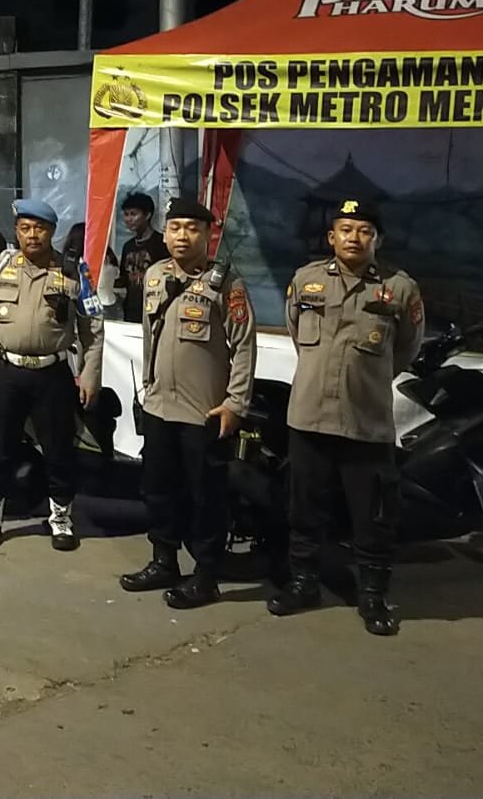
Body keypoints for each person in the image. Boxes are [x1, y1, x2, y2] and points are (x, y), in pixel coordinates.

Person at [267, 197, 424, 636]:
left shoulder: (400, 289)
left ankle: (372, 596)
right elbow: (298, 333)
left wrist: (365, 378)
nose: (354, 238)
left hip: (365, 423)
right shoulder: (306, 280)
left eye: (364, 231)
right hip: (309, 418)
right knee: (304, 510)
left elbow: (406, 348)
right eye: (346, 230)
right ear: (331, 237)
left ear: (377, 240)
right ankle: (304, 584)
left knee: (372, 517)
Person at [117, 200, 256, 608]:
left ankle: (206, 575)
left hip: (204, 412)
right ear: (165, 234)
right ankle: (164, 561)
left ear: (208, 235)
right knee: (158, 489)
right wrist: (148, 384)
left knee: (206, 496)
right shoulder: (156, 275)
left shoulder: (226, 284)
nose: (182, 236)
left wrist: (235, 403)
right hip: (160, 407)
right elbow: (149, 334)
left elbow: (244, 346)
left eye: (192, 228)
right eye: (175, 227)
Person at [0, 198, 104, 552]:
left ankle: (60, 519)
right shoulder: (0, 267)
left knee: (59, 451)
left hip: (51, 375)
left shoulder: (72, 271)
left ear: (52, 231)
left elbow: (93, 327)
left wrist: (90, 375)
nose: (32, 235)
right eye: (25, 228)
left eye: (39, 228)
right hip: (6, 372)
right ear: (16, 231)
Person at [113, 192, 170, 324]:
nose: (129, 219)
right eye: (126, 214)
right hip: (131, 310)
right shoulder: (128, 246)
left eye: (133, 214)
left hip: (155, 309)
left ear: (147, 215)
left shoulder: (161, 244)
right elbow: (124, 279)